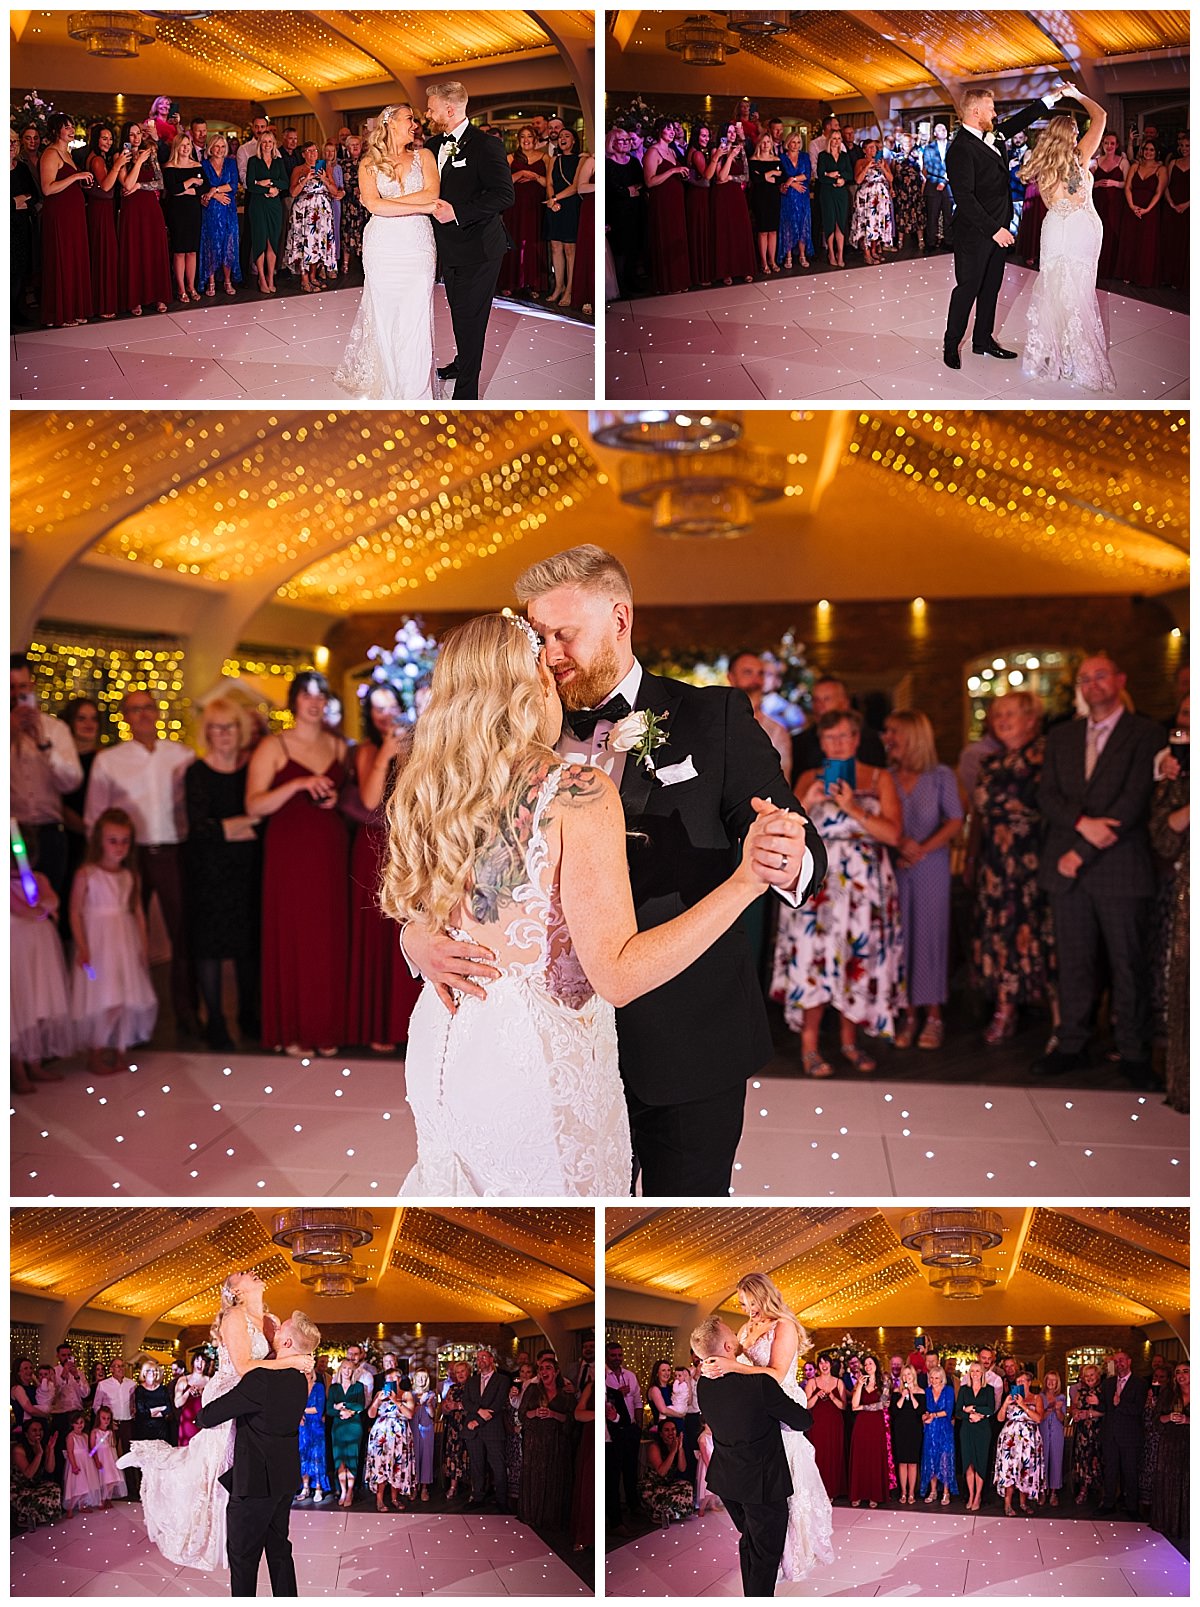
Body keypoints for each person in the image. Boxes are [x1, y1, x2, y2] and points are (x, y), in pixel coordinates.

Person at [392, 561, 824, 1198]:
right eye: (538, 637)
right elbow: (454, 864)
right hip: (542, 1047)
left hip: (684, 1033)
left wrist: (784, 855)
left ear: (620, 620)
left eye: (564, 634)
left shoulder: (714, 716)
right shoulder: (502, 733)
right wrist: (416, 937)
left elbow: (791, 831)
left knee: (682, 1217)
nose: (550, 653)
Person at [118, 1274, 312, 1571]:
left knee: (243, 1465)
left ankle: (248, 1524)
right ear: (236, 1290)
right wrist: (292, 1362)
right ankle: (153, 1459)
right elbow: (245, 1366)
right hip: (231, 1391)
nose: (251, 1272)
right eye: (242, 1275)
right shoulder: (234, 1316)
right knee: (204, 1466)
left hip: (254, 1395)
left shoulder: (273, 1319)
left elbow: (281, 1355)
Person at [1035, 654, 1160, 1080]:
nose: (1092, 684)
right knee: (1073, 963)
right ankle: (1072, 1043)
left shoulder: (1145, 733)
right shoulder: (1063, 736)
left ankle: (1134, 1052)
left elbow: (1134, 799)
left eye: (1100, 676)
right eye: (1085, 679)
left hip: (1119, 867)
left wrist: (1081, 851)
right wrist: (1080, 824)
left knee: (1127, 964)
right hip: (1068, 870)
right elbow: (1047, 796)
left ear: (1120, 679)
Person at [775, 709, 903, 1075]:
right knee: (812, 957)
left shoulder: (879, 778)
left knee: (855, 957)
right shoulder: (808, 777)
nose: (839, 744)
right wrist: (809, 802)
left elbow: (893, 834)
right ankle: (810, 1045)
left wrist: (851, 807)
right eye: (830, 738)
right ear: (821, 742)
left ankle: (849, 1041)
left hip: (864, 886)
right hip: (818, 881)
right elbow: (784, 827)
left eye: (845, 736)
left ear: (857, 738)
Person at [701, 1273, 833, 1578]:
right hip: (755, 1413)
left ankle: (779, 1554)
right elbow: (729, 1358)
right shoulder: (746, 1327)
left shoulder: (783, 1326)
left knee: (780, 1491)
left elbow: (775, 1374)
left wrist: (733, 1365)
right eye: (743, 1303)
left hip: (781, 1410)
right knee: (759, 1500)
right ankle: (763, 1555)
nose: (747, 1309)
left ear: (764, 1296)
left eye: (750, 1302)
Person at [247, 670, 349, 1058]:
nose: (314, 701)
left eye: (321, 694)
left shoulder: (339, 747)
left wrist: (335, 800)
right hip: (290, 853)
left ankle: (327, 1028)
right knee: (293, 936)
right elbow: (253, 805)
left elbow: (353, 796)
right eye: (307, 695)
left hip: (330, 849)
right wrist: (295, 785)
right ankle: (292, 1029)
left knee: (328, 939)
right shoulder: (274, 747)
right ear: (293, 702)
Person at [943, 83, 1074, 369]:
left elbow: (1021, 119)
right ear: (976, 112)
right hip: (975, 233)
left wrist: (1053, 96)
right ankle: (951, 345)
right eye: (990, 108)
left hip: (998, 229)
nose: (995, 112)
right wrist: (994, 229)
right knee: (967, 289)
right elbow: (964, 198)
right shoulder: (959, 149)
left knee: (991, 289)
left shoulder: (994, 135)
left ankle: (983, 341)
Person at [693, 1313, 816, 1597]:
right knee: (765, 1556)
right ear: (725, 1348)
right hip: (762, 1484)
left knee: (749, 1542)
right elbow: (802, 1421)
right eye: (730, 1333)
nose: (737, 1335)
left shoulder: (704, 1384)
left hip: (728, 1481)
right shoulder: (758, 1384)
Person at [198, 1312, 318, 1596]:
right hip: (284, 1478)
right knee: (279, 1550)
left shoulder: (262, 1380)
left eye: (280, 1329)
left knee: (243, 1557)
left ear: (287, 1342)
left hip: (254, 1482)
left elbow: (209, 1415)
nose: (274, 1330)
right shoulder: (300, 1380)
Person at [334, 104, 439, 401]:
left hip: (418, 246)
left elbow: (433, 194)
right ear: (391, 123)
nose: (415, 125)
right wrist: (420, 207)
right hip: (382, 247)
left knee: (415, 318)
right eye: (410, 119)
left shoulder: (425, 156)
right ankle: (392, 390)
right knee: (385, 317)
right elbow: (373, 204)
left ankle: (417, 395)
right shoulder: (369, 161)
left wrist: (398, 204)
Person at [970, 692, 1054, 1044]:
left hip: (1032, 861)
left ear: (1032, 719)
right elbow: (980, 814)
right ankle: (1005, 1009)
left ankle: (1058, 1019)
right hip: (995, 862)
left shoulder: (1046, 756)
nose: (1001, 720)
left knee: (1037, 936)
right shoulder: (990, 762)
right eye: (997, 714)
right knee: (998, 935)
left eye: (1010, 714)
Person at [424, 81, 515, 400]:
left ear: (449, 110)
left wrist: (458, 212)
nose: (428, 113)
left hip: (480, 249)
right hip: (449, 248)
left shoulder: (485, 145)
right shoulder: (433, 144)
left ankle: (466, 394)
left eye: (432, 108)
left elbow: (505, 194)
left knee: (471, 319)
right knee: (460, 312)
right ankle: (463, 363)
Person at [1020, 89, 1115, 391]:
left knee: (1056, 291)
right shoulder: (1079, 157)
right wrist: (1075, 94)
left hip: (1053, 230)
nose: (1078, 136)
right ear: (1070, 135)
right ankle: (1077, 360)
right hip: (1079, 228)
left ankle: (1058, 354)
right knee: (1079, 291)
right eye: (1075, 132)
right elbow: (1100, 116)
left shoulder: (1043, 162)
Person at [185, 697, 261, 1051]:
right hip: (208, 874)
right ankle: (215, 1020)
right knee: (210, 949)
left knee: (248, 947)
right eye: (216, 727)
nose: (223, 734)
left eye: (229, 726)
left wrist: (225, 827)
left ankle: (249, 1018)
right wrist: (238, 826)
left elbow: (262, 820)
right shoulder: (196, 772)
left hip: (247, 871)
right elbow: (199, 830)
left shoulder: (252, 769)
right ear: (208, 733)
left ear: (240, 729)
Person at [884, 710, 962, 1050]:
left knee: (930, 938)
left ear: (913, 736)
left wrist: (921, 849)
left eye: (893, 732)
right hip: (897, 865)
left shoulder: (941, 775)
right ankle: (908, 1013)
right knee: (900, 938)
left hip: (931, 867)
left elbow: (956, 820)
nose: (887, 738)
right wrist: (902, 845)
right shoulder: (885, 777)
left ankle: (933, 1015)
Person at [69, 809, 157, 1075]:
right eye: (112, 840)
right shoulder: (87, 874)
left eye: (124, 841)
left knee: (126, 996)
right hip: (99, 943)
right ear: (99, 841)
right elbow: (75, 911)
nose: (119, 847)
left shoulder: (130, 876)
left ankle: (119, 1049)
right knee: (105, 997)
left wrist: (143, 944)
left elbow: (138, 911)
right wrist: (83, 945)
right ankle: (96, 1051)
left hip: (124, 941)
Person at [11, 651, 84, 905]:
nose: (15, 695)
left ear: (32, 687)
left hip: (50, 832)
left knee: (49, 905)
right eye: (9, 688)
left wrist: (42, 743)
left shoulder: (55, 729)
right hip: (11, 832)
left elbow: (71, 781)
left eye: (21, 687)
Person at [10, 855, 72, 1093]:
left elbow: (51, 900)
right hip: (16, 949)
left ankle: (35, 1064)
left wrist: (42, 906)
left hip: (39, 949)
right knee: (19, 1007)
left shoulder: (37, 878)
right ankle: (18, 1072)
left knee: (37, 1004)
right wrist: (39, 909)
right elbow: (21, 909)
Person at [38, 111, 94, 329]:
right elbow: (47, 188)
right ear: (56, 131)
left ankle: (74, 307)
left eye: (72, 126)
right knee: (62, 259)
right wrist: (75, 176)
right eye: (67, 127)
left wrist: (81, 182)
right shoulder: (51, 154)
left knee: (74, 259)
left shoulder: (68, 153)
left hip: (74, 214)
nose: (72, 130)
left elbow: (68, 183)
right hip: (60, 214)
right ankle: (61, 312)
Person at [117, 121, 171, 316]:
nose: (136, 138)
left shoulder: (151, 154)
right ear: (125, 137)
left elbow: (160, 182)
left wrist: (140, 186)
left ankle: (158, 296)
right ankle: (135, 299)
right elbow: (126, 183)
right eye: (131, 135)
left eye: (138, 133)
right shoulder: (121, 157)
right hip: (131, 211)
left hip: (150, 209)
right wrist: (138, 161)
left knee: (153, 250)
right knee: (135, 252)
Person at [519, 1354, 576, 1530]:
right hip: (535, 1442)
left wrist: (553, 1415)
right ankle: (532, 1515)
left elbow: (572, 1419)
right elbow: (522, 1414)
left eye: (548, 1368)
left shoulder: (566, 1393)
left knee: (555, 1479)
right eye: (541, 1369)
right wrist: (535, 1413)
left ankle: (553, 1519)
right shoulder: (532, 1390)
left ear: (557, 1371)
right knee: (535, 1479)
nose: (544, 1372)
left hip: (558, 1443)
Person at [642, 118, 690, 294]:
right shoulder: (653, 152)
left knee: (677, 237)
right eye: (668, 129)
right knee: (666, 238)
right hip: (662, 202)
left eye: (673, 129)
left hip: (676, 201)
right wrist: (672, 171)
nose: (672, 132)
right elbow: (649, 181)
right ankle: (667, 282)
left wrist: (681, 174)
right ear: (659, 131)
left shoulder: (671, 151)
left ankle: (679, 279)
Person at [284, 140, 338, 294]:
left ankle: (313, 276)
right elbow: (293, 192)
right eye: (309, 151)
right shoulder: (298, 169)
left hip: (321, 211)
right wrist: (306, 179)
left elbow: (334, 191)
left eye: (315, 150)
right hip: (304, 212)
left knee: (317, 244)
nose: (313, 153)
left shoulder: (325, 168)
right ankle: (304, 278)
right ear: (303, 154)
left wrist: (325, 180)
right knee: (304, 243)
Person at [84, 123, 125, 319]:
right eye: (104, 138)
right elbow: (107, 186)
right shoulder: (98, 160)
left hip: (102, 209)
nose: (108, 142)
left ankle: (102, 301)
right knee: (104, 254)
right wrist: (117, 166)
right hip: (99, 210)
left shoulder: (100, 157)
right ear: (96, 139)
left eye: (110, 138)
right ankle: (103, 304)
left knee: (103, 253)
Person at [501, 126, 548, 297]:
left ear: (536, 139)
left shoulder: (545, 158)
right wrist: (521, 172)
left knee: (533, 242)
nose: (526, 139)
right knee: (514, 241)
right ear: (518, 139)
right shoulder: (510, 158)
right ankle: (511, 282)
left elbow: (548, 183)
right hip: (515, 206)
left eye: (530, 136)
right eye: (523, 136)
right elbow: (503, 183)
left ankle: (533, 283)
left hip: (535, 206)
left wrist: (534, 176)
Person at [1099, 1351, 1147, 1517]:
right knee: (1110, 1471)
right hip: (1110, 1436)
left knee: (1130, 1472)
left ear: (1129, 1361)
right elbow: (1104, 1409)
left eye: (1121, 1361)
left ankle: (1132, 1507)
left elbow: (1139, 1409)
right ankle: (1108, 1503)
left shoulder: (1140, 1384)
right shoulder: (1108, 1384)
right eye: (1116, 1361)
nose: (1119, 1364)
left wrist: (1120, 1404)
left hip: (1130, 1436)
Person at [1116, 136, 1167, 287]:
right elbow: (1128, 187)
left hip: (1149, 210)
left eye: (1151, 150)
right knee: (1130, 241)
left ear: (1157, 152)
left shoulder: (1161, 169)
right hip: (1132, 209)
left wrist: (1147, 210)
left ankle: (1143, 276)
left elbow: (1159, 192)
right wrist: (1132, 206)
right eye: (1146, 149)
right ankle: (1128, 273)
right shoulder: (1135, 166)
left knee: (1146, 244)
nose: (1148, 152)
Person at [365, 1361, 416, 1512]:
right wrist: (377, 1402)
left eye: (394, 1378)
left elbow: (410, 1414)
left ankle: (394, 1498)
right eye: (388, 1379)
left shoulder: (406, 1395)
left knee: (397, 1467)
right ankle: (379, 1500)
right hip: (381, 1436)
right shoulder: (379, 1394)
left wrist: (395, 1400)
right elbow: (370, 1415)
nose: (391, 1381)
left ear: (399, 1380)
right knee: (380, 1466)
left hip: (400, 1437)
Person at [162, 131, 206, 304]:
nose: (186, 148)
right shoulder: (170, 167)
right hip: (177, 212)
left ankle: (191, 286)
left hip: (194, 211)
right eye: (183, 145)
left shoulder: (197, 165)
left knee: (192, 251)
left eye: (188, 145)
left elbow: (205, 187)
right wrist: (191, 182)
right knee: (180, 251)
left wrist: (186, 190)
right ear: (176, 147)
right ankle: (180, 288)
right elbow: (172, 190)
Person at [710, 124, 756, 285]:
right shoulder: (718, 152)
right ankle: (726, 271)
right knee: (725, 232)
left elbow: (746, 177)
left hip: (737, 195)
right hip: (722, 197)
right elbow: (720, 177)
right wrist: (729, 156)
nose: (732, 134)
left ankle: (744, 269)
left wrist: (732, 178)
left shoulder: (740, 150)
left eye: (733, 132)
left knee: (741, 230)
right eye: (728, 132)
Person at [995, 1371, 1044, 1515]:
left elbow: (1038, 1419)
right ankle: (1008, 1504)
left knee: (1025, 1469)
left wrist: (1023, 1405)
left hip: (1028, 1439)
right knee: (1009, 1468)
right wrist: (1005, 1404)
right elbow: (999, 1418)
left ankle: (1023, 1503)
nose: (1021, 1383)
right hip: (1010, 1438)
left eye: (1023, 1380)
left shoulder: (1036, 1398)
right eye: (1018, 1381)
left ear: (1029, 1382)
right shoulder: (1010, 1398)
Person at [245, 127, 287, 296]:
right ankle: (261, 277)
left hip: (274, 206)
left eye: (270, 142)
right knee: (260, 241)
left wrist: (271, 184)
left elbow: (285, 182)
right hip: (258, 206)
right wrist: (266, 189)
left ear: (274, 144)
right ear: (260, 144)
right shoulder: (253, 161)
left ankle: (271, 277)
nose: (267, 145)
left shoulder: (278, 161)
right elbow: (250, 185)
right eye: (264, 142)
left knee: (272, 242)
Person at [1150, 1362, 1188, 1544]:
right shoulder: (1170, 1394)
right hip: (1169, 1444)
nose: (1182, 1376)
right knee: (1168, 1483)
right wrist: (1169, 1417)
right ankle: (1167, 1523)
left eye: (1186, 1372)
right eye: (1178, 1372)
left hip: (1189, 1445)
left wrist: (1188, 1420)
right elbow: (1156, 1419)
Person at [198, 134, 240, 297]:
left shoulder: (230, 163)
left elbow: (234, 185)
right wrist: (213, 194)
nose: (220, 150)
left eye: (223, 147)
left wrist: (215, 190)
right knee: (211, 246)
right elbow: (202, 188)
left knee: (228, 245)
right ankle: (211, 282)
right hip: (211, 211)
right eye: (216, 146)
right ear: (210, 148)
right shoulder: (204, 165)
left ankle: (227, 281)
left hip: (228, 209)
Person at [545, 126, 583, 304]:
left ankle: (570, 289)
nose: (562, 139)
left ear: (574, 140)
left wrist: (555, 198)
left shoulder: (581, 159)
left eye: (567, 136)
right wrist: (552, 200)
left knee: (570, 248)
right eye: (560, 136)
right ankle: (558, 286)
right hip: (554, 205)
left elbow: (576, 186)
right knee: (555, 247)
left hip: (570, 204)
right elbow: (549, 182)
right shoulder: (555, 159)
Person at [804, 1352, 847, 1501]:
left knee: (834, 1454)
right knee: (818, 1454)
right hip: (818, 1424)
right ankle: (818, 1491)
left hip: (835, 1424)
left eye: (826, 1362)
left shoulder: (839, 1382)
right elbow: (806, 1405)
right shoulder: (812, 1382)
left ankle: (832, 1490)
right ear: (818, 1367)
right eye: (821, 1363)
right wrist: (817, 1395)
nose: (824, 1365)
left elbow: (843, 1406)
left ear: (830, 1365)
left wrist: (833, 1397)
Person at [327, 1357, 367, 1508]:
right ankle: (342, 1491)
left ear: (354, 1371)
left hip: (353, 1427)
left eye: (350, 1369)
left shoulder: (358, 1386)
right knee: (340, 1461)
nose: (347, 1371)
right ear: (340, 1369)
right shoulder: (334, 1388)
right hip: (338, 1428)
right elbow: (329, 1409)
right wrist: (339, 1412)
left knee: (352, 1461)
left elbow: (360, 1405)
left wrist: (344, 1406)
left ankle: (350, 1491)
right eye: (344, 1368)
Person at [12, 1419, 62, 1531]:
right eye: (34, 1430)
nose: (38, 1433)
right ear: (26, 1433)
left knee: (54, 1488)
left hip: (35, 1484)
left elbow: (50, 1469)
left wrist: (50, 1449)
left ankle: (39, 1517)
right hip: (19, 1487)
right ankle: (25, 1518)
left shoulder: (42, 1446)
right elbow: (28, 1474)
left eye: (40, 1430)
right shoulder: (19, 1449)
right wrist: (39, 1454)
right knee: (33, 1496)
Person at [850, 139, 893, 264]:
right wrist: (867, 167)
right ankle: (866, 253)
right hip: (866, 196)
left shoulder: (882, 161)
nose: (872, 150)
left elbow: (890, 178)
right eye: (869, 148)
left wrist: (883, 168)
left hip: (880, 196)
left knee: (877, 224)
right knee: (866, 223)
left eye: (874, 147)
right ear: (864, 150)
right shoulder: (860, 162)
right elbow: (858, 180)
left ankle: (874, 251)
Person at [919, 1362, 956, 1503]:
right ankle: (933, 1491)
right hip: (930, 1430)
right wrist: (924, 1416)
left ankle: (946, 1492)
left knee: (945, 1460)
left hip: (944, 1429)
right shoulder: (927, 1391)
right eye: (931, 1378)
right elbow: (925, 1409)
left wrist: (932, 1415)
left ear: (942, 1379)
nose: (933, 1381)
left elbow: (948, 1411)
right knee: (931, 1459)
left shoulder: (948, 1391)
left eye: (936, 1378)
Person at [1070, 1362, 1105, 1505]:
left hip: (1098, 1431)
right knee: (1083, 1460)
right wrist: (1076, 1414)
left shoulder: (1104, 1391)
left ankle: (1102, 1493)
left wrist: (1089, 1414)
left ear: (1097, 1375)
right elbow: (1073, 1407)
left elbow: (1107, 1411)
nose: (1089, 1378)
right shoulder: (1080, 1392)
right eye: (1086, 1375)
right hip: (1083, 1432)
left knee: (1098, 1461)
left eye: (1092, 1375)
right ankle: (1083, 1490)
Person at [749, 133, 783, 275]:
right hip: (760, 198)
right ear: (759, 144)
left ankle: (772, 260)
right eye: (763, 142)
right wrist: (770, 173)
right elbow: (754, 179)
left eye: (768, 142)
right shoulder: (753, 160)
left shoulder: (776, 159)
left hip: (774, 197)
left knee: (773, 231)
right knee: (763, 231)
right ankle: (763, 262)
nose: (765, 144)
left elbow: (781, 178)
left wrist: (765, 176)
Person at [890, 1364, 925, 1505]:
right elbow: (894, 1412)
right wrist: (902, 1396)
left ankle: (911, 1492)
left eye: (909, 1374)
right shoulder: (896, 1392)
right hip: (900, 1430)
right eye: (904, 1375)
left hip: (914, 1430)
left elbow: (920, 1411)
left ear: (913, 1376)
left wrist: (911, 1394)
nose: (906, 1377)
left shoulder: (921, 1392)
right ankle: (903, 1492)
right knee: (902, 1462)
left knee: (913, 1462)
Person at [777, 132, 812, 270]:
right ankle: (788, 255)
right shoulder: (782, 158)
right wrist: (791, 183)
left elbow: (807, 175)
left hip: (802, 194)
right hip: (788, 195)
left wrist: (793, 179)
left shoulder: (804, 156)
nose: (796, 145)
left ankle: (802, 255)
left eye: (798, 142)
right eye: (793, 142)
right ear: (788, 143)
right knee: (789, 224)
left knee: (803, 223)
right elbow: (782, 178)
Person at [1160, 133, 1189, 290]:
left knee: (1184, 244)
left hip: (1188, 209)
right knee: (1170, 241)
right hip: (1171, 207)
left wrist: (1186, 205)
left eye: (1188, 146)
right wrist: (1171, 203)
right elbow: (1166, 185)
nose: (1184, 149)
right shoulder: (1173, 163)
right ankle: (1167, 277)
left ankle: (1182, 280)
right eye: (1182, 145)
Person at [440, 1358, 471, 1498]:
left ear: (468, 1371)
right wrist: (446, 1407)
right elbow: (444, 1408)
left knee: (470, 1457)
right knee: (453, 1456)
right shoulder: (453, 1388)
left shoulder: (475, 1386)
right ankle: (453, 1487)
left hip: (469, 1426)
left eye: (462, 1371)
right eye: (457, 1372)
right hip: (454, 1428)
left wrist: (457, 1406)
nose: (460, 1374)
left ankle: (474, 1489)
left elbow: (477, 1405)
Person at [298, 1369, 329, 1503]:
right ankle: (305, 1487)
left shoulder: (319, 1387)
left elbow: (318, 1409)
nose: (307, 1375)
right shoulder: (298, 1388)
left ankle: (318, 1488)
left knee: (317, 1457)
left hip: (316, 1427)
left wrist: (300, 1411)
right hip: (302, 1426)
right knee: (303, 1456)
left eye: (309, 1373)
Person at [922, 123, 953, 250]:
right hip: (933, 186)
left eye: (944, 128)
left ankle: (949, 241)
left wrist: (945, 181)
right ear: (934, 134)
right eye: (939, 129)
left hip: (949, 187)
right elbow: (929, 166)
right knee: (932, 216)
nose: (943, 130)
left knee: (948, 216)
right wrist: (943, 176)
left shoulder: (953, 146)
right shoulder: (929, 148)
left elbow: (957, 164)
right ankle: (930, 243)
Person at [90, 1403, 127, 1507]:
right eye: (103, 1418)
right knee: (104, 1479)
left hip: (110, 1458)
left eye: (108, 1418)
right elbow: (93, 1448)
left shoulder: (110, 1432)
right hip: (101, 1458)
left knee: (113, 1479)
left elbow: (112, 1446)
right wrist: (96, 1461)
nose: (106, 1420)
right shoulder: (95, 1432)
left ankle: (108, 1498)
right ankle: (102, 1499)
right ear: (99, 1418)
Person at [1040, 1370, 1067, 1505]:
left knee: (1056, 1461)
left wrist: (1057, 1409)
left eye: (1054, 1380)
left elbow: (1062, 1419)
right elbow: (1039, 1418)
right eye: (1048, 1380)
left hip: (1057, 1432)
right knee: (1043, 1461)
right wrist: (1050, 1408)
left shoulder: (1061, 1397)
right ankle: (1042, 1491)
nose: (1051, 1383)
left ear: (1057, 1383)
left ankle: (1053, 1493)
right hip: (1043, 1431)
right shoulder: (1040, 1397)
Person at [410, 1370, 436, 1501]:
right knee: (413, 1457)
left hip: (426, 1429)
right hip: (412, 1428)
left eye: (424, 1377)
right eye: (419, 1377)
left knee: (426, 1457)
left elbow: (432, 1415)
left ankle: (424, 1487)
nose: (421, 1380)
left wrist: (429, 1404)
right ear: (414, 1379)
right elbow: (409, 1412)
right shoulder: (410, 1394)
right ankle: (414, 1487)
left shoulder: (431, 1394)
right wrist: (419, 1403)